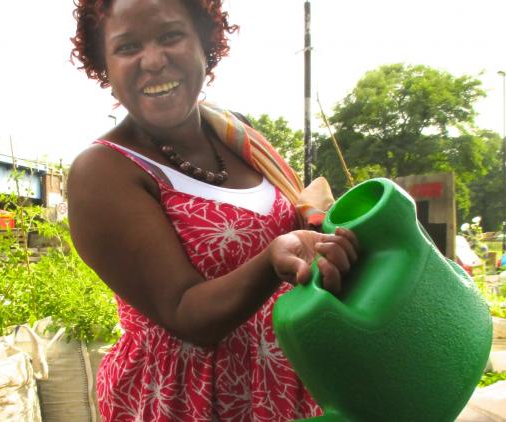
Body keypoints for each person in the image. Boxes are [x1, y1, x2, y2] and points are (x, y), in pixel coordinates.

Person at [67, 0, 359, 420]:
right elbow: (185, 312)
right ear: (104, 66)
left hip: (286, 385)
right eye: (128, 47)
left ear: (205, 43)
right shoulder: (103, 171)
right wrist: (272, 260)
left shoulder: (235, 135)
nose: (153, 61)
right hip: (192, 400)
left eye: (170, 36)